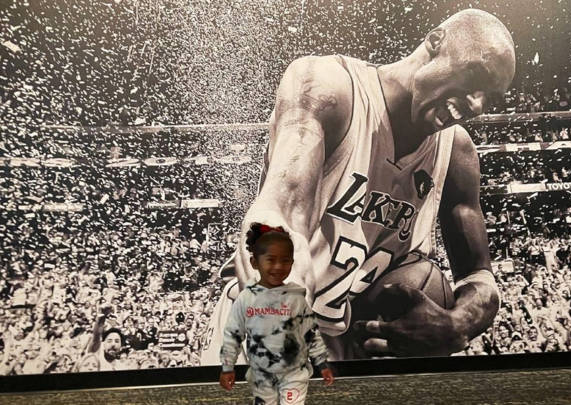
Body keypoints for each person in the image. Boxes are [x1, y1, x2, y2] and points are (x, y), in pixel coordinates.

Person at [203, 8, 516, 362]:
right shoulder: (329, 88)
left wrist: (459, 323)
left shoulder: (457, 153)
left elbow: (480, 278)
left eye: (490, 97)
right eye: (475, 77)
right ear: (435, 41)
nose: (477, 104)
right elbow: (281, 211)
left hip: (353, 347)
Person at [219, 224, 334, 404]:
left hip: (294, 374)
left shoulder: (296, 299)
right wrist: (227, 367)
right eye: (271, 260)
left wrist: (322, 363)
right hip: (261, 377)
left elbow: (311, 333)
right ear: (254, 262)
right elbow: (232, 335)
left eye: (285, 260)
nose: (278, 266)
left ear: (292, 263)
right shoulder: (246, 299)